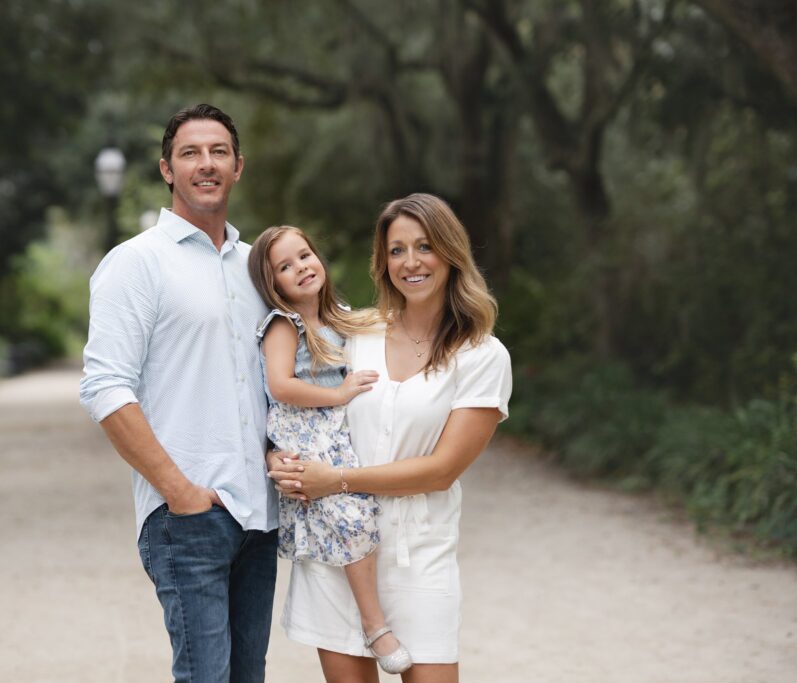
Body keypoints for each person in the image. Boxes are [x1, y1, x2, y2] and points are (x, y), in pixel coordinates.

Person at [269, 193, 513, 682]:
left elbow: (442, 471)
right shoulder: (355, 333)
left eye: (424, 246)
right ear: (383, 262)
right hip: (338, 550)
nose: (410, 262)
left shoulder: (482, 356)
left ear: (450, 252)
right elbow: (296, 405)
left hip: (419, 554)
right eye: (396, 250)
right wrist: (280, 458)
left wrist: (333, 479)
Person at [79, 104, 277, 683]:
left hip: (260, 517)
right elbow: (105, 387)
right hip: (187, 519)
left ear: (238, 166)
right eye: (190, 153)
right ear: (167, 168)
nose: (206, 164)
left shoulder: (256, 267)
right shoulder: (136, 264)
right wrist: (178, 492)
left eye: (218, 152)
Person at [248, 225, 412, 674]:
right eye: (285, 266)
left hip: (333, 431)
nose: (300, 268)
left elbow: (381, 329)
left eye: (304, 256)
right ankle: (375, 625)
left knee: (354, 514)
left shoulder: (338, 315)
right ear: (273, 284)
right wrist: (339, 394)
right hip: (305, 432)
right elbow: (281, 385)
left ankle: (370, 616)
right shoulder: (285, 324)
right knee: (350, 514)